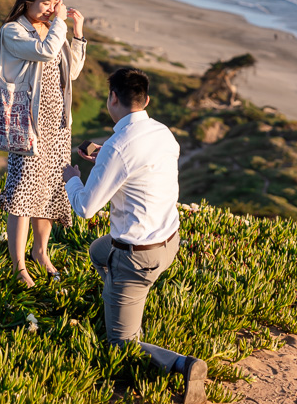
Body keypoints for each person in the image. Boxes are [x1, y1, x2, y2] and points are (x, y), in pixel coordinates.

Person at [62, 68, 207, 404]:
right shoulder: (163, 134)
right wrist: (102, 155)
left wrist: (72, 177)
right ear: (146, 100)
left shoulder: (118, 148)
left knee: (120, 344)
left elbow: (84, 208)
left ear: (113, 98)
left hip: (136, 257)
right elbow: (141, 168)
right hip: (169, 241)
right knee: (99, 252)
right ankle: (120, 300)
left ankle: (182, 366)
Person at [0, 0, 86, 286]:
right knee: (22, 193)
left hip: (58, 125)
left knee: (51, 190)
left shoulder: (54, 28)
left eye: (57, 2)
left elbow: (71, 72)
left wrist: (78, 33)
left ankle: (40, 252)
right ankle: (18, 265)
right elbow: (44, 51)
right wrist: (59, 23)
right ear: (28, 1)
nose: (53, 8)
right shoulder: (13, 32)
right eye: (47, 3)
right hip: (27, 124)